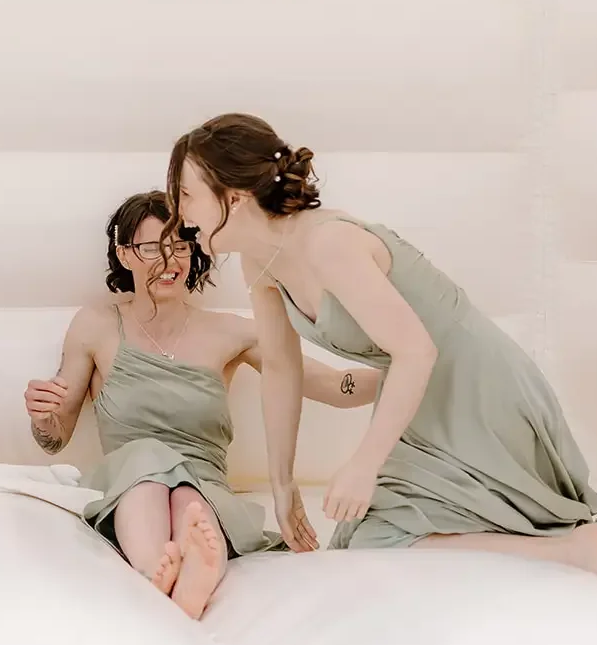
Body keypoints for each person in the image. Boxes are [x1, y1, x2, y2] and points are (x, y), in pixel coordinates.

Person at [163, 112, 597, 586]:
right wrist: (281, 484)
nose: (181, 215)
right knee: (368, 536)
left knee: (378, 536)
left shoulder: (329, 243)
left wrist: (364, 464)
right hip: (420, 398)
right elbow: (283, 369)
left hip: (474, 388)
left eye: (187, 195)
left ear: (236, 197)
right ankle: (562, 549)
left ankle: (572, 551)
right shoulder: (258, 262)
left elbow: (417, 352)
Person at [25, 191, 379, 618]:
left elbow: (333, 385)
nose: (168, 260)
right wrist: (45, 416)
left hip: (204, 485)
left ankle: (193, 574)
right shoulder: (96, 325)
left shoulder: (232, 333)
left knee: (189, 495)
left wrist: (403, 373)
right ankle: (158, 570)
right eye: (152, 247)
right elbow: (54, 437)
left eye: (180, 245)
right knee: (147, 460)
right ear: (125, 255)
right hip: (129, 487)